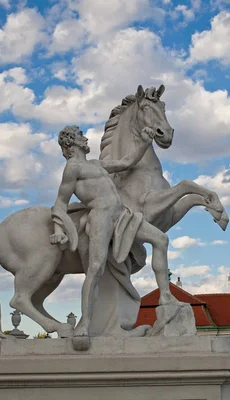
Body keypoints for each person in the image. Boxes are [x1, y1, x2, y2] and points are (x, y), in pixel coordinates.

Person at [50, 125, 176, 337]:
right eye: (81, 135)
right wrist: (58, 229)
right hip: (101, 216)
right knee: (96, 268)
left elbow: (127, 162)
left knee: (161, 240)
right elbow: (61, 202)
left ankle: (166, 297)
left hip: (121, 214)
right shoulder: (73, 168)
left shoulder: (96, 164)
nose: (86, 138)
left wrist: (145, 142)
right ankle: (85, 324)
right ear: (71, 143)